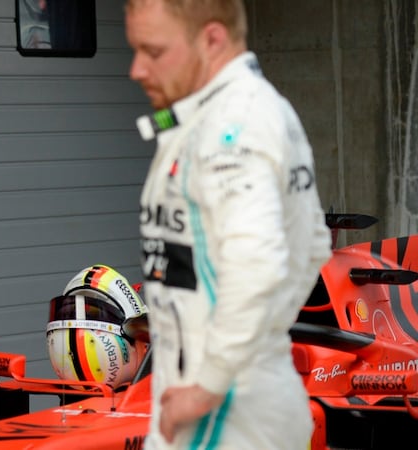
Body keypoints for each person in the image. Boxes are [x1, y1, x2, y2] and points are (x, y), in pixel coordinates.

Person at [124, 0, 331, 449]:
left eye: (154, 52)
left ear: (212, 39)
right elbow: (313, 245)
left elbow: (257, 266)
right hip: (233, 402)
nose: (136, 69)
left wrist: (208, 387)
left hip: (222, 418)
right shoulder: (245, 110)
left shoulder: (230, 127)